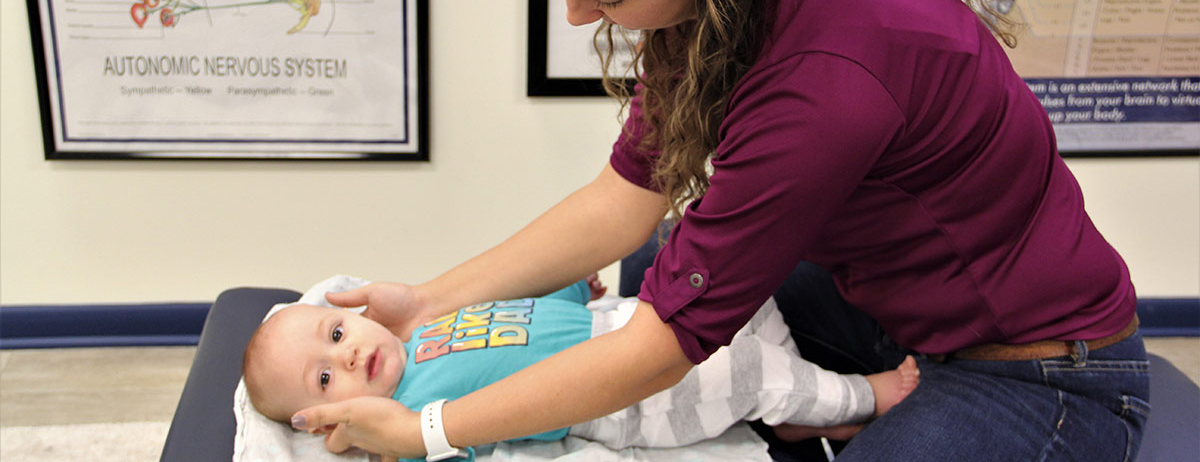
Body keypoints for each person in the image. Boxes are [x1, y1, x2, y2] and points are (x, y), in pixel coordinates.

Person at [289, 0, 1150, 460]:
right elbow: (621, 200)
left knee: (660, 317)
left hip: (1043, 371)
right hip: (899, 306)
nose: (577, 13)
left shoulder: (823, 84)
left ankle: (845, 408)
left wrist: (426, 432)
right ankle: (835, 401)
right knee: (649, 265)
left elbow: (662, 348)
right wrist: (433, 301)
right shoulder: (730, 2)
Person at [243, 279, 919, 460]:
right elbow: (441, 449)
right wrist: (375, 430)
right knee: (743, 369)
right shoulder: (410, 414)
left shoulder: (426, 331)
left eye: (335, 332)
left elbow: (514, 320)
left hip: (623, 326)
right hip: (628, 400)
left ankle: (795, 419)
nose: (348, 353)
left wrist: (572, 294)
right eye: (327, 380)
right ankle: (864, 396)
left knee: (744, 299)